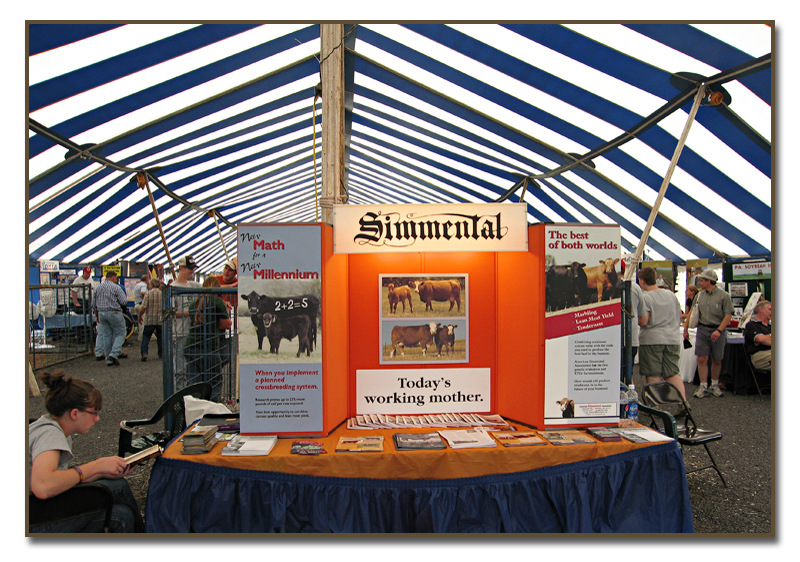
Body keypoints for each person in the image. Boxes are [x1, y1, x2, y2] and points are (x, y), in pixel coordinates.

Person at [29, 370, 144, 533]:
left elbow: (58, 478)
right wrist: (96, 466)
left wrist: (100, 473)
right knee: (119, 487)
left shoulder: (51, 428)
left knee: (121, 516)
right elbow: (43, 486)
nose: (97, 418)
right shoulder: (50, 433)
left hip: (35, 510)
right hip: (32, 520)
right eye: (94, 413)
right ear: (75, 413)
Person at [637, 267, 687, 399]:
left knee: (653, 374)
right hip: (672, 339)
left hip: (652, 340)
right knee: (672, 373)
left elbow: (644, 321)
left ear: (642, 281)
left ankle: (655, 405)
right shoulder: (671, 295)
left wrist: (636, 318)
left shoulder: (646, 298)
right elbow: (679, 315)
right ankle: (683, 403)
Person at [684, 268, 733, 398]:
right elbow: (692, 312)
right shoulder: (700, 295)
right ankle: (703, 385)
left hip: (718, 329)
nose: (700, 283)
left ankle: (714, 385)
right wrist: (686, 329)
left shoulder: (724, 296)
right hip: (702, 329)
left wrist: (719, 330)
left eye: (702, 280)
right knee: (702, 358)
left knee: (717, 358)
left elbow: (728, 315)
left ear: (709, 281)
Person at [184, 277, 232, 401]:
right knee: (215, 381)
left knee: (195, 383)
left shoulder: (194, 303)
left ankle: (194, 407)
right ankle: (210, 408)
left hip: (190, 346)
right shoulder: (217, 302)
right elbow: (227, 324)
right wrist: (226, 311)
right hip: (209, 347)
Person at [172, 256, 201, 387]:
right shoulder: (173, 288)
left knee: (190, 367)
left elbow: (211, 285)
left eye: (193, 269)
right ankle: (181, 393)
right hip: (179, 333)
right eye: (190, 269)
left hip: (191, 332)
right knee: (181, 368)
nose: (192, 272)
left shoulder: (193, 286)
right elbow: (171, 312)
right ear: (181, 268)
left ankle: (188, 392)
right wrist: (190, 313)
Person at [91, 270, 129, 366]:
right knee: (121, 333)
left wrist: (96, 314)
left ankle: (108, 359)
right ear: (113, 277)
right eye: (116, 278)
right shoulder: (116, 287)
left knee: (107, 335)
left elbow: (93, 303)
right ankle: (114, 353)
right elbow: (123, 301)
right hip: (114, 312)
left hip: (101, 313)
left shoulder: (98, 288)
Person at [138, 278, 163, 362]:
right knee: (160, 338)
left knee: (146, 337)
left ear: (152, 285)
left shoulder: (148, 294)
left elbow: (143, 307)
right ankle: (161, 354)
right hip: (160, 320)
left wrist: (140, 316)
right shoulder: (163, 294)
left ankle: (144, 353)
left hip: (149, 320)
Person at [744, 300, 772, 372]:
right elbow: (760, 339)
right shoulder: (752, 325)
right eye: (770, 309)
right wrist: (766, 338)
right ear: (761, 309)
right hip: (760, 356)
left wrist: (767, 338)